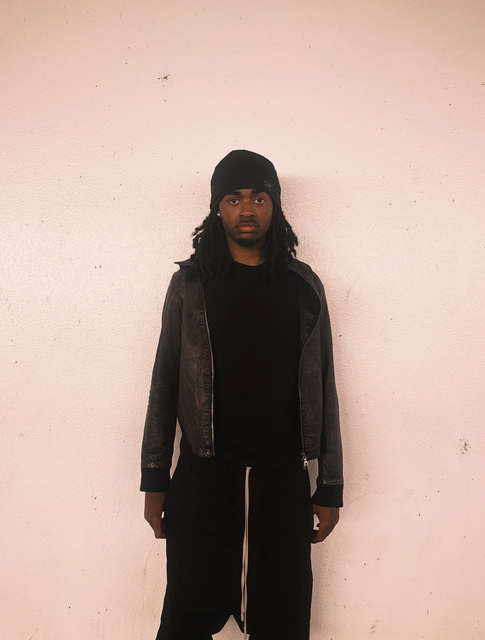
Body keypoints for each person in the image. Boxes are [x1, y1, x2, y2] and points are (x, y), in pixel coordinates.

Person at [140, 150, 343, 640]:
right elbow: (164, 381)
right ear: (217, 208)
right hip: (203, 483)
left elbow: (325, 384)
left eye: (258, 197)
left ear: (275, 206)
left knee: (283, 626)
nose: (247, 209)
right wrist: (154, 479)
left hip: (282, 485)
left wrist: (330, 484)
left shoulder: (304, 287)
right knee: (184, 625)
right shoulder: (189, 285)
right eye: (233, 198)